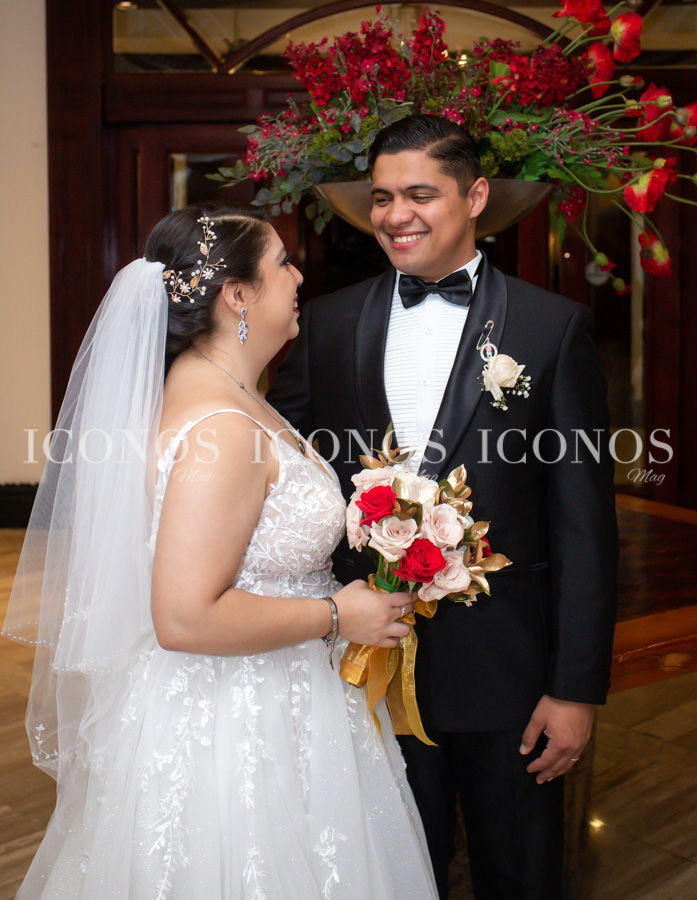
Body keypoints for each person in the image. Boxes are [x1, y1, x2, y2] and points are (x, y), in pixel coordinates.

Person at [3, 205, 439, 899]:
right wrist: (337, 614)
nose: (299, 278)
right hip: (239, 718)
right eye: (283, 264)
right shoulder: (224, 427)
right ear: (238, 294)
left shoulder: (222, 392)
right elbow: (184, 617)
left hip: (273, 694)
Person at [267, 115, 619, 899]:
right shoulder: (326, 323)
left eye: (420, 195)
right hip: (367, 667)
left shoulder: (549, 326)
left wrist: (574, 689)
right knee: (388, 877)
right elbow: (284, 471)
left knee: (518, 875)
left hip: (509, 672)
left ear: (475, 196)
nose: (396, 215)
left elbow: (583, 526)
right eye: (382, 197)